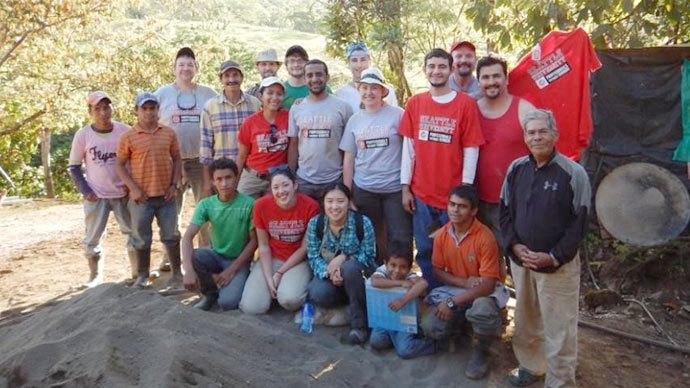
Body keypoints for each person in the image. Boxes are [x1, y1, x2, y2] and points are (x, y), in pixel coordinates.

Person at [500, 109, 591, 387]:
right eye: (531, 132)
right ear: (525, 137)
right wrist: (514, 246)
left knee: (559, 329)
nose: (537, 137)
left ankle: (560, 381)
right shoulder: (516, 169)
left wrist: (553, 256)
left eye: (542, 131)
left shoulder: (573, 173)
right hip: (522, 261)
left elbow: (580, 223)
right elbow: (504, 212)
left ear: (554, 135)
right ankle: (531, 367)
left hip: (558, 267)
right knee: (526, 322)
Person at [399, 48, 485, 288]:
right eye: (431, 66)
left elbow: (471, 149)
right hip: (422, 195)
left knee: (457, 250)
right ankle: (431, 295)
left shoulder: (465, 105)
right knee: (426, 249)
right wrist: (405, 188)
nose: (436, 71)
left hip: (453, 198)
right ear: (425, 70)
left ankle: (457, 301)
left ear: (451, 70)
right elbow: (409, 149)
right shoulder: (415, 103)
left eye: (441, 66)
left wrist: (465, 190)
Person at [420, 184, 508, 380]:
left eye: (462, 206)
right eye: (452, 204)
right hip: (460, 288)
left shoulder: (485, 237)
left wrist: (452, 302)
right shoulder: (442, 234)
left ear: (474, 211)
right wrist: (464, 283)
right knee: (430, 325)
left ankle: (483, 351)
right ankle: (463, 327)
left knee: (482, 309)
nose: (455, 210)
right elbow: (437, 270)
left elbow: (487, 285)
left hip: (484, 293)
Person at [154, 47, 217, 271]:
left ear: (197, 68)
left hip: (202, 161)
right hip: (172, 162)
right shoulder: (161, 94)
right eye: (181, 64)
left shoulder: (209, 94)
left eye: (190, 64)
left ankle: (206, 254)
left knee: (205, 208)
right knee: (171, 211)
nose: (186, 68)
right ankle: (170, 257)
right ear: (174, 68)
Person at [340, 67, 411, 263]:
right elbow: (348, 157)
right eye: (364, 88)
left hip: (395, 188)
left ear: (382, 91)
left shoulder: (398, 114)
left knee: (400, 237)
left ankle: (402, 279)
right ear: (359, 90)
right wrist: (347, 194)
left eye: (374, 88)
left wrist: (408, 186)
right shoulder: (354, 120)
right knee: (370, 238)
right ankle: (376, 277)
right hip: (364, 189)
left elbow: (410, 150)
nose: (369, 92)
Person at [68, 91, 136, 288]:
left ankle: (136, 274)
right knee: (92, 237)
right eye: (97, 108)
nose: (103, 112)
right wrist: (86, 191)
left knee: (133, 234)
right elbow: (74, 166)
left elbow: (135, 159)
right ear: (90, 112)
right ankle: (94, 276)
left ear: (112, 108)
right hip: (97, 194)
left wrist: (133, 187)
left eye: (106, 107)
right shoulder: (83, 135)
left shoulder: (125, 131)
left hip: (123, 192)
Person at [115, 92, 182, 288]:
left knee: (171, 235)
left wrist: (174, 185)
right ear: (137, 111)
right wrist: (133, 189)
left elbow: (177, 158)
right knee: (141, 238)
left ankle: (177, 273)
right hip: (141, 198)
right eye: (145, 108)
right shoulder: (128, 137)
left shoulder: (168, 133)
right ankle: (142, 275)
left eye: (153, 108)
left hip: (166, 195)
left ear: (158, 110)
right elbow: (119, 165)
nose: (149, 112)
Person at [475, 54, 536, 253]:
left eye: (496, 76)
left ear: (506, 78)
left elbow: (543, 153)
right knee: (488, 259)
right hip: (480, 202)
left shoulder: (525, 110)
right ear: (479, 81)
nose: (491, 82)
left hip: (518, 201)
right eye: (485, 77)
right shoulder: (471, 111)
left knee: (520, 258)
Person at [239, 169, 320, 314]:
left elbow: (304, 248)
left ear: (295, 185)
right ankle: (273, 289)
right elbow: (263, 246)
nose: (281, 191)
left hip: (298, 260)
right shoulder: (260, 206)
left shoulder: (311, 206)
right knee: (252, 307)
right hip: (272, 257)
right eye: (276, 187)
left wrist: (280, 273)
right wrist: (269, 277)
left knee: (290, 300)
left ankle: (288, 288)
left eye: (285, 185)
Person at [305, 183, 376, 344]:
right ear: (323, 203)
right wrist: (330, 273)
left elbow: (369, 255)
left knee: (350, 269)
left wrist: (344, 259)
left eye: (340, 201)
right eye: (329, 201)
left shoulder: (362, 222)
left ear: (349, 202)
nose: (335, 207)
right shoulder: (316, 224)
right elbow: (314, 257)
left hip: (358, 276)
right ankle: (349, 307)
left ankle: (359, 327)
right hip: (332, 279)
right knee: (316, 292)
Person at [181, 158, 256, 311]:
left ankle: (235, 280)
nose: (224, 183)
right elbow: (188, 237)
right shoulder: (206, 204)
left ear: (236, 178)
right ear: (213, 182)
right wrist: (188, 270)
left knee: (228, 303)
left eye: (228, 178)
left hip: (238, 260)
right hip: (215, 256)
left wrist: (232, 269)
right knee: (196, 256)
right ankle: (210, 293)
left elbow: (254, 242)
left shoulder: (249, 204)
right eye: (219, 179)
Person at [287, 59, 353, 201]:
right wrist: (292, 176)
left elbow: (349, 147)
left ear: (327, 77)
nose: (315, 79)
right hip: (304, 180)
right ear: (304, 79)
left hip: (335, 179)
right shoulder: (297, 108)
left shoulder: (343, 107)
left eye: (319, 74)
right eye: (310, 75)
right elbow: (293, 143)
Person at [200, 60, 261, 197]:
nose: (231, 79)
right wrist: (207, 182)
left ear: (242, 78)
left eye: (235, 75)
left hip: (249, 174)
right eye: (227, 76)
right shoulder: (210, 106)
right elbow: (205, 147)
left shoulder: (255, 104)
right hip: (221, 175)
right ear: (221, 79)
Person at [368, 247, 435, 359]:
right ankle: (397, 341)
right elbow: (375, 281)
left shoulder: (410, 275)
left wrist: (403, 300)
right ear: (386, 263)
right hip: (386, 319)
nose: (397, 270)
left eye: (403, 267)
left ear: (409, 268)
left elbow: (423, 284)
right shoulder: (383, 270)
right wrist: (400, 283)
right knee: (376, 341)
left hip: (405, 321)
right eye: (393, 265)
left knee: (405, 351)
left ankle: (433, 345)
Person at [236, 76, 290, 198]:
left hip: (277, 178)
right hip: (253, 176)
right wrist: (235, 182)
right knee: (243, 211)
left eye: (279, 94)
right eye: (270, 93)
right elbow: (242, 155)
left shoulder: (289, 117)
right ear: (261, 96)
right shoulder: (250, 122)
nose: (274, 98)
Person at [335, 42, 398, 112]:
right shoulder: (340, 94)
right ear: (348, 63)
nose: (359, 65)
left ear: (369, 61)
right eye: (354, 60)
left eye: (363, 60)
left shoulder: (386, 91)